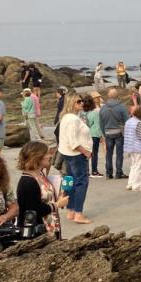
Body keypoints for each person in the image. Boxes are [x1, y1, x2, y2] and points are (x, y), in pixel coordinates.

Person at [15, 142, 66, 241]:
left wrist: (57, 197)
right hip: (38, 233)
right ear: (37, 158)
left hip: (50, 225)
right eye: (47, 154)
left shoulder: (40, 174)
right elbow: (33, 210)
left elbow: (45, 198)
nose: (50, 156)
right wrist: (57, 205)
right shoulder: (27, 182)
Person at [58, 94, 93, 224]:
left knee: (71, 181)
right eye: (78, 101)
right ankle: (78, 213)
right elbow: (72, 141)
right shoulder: (72, 119)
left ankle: (71, 210)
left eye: (82, 101)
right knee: (81, 183)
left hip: (68, 154)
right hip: (76, 155)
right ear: (71, 103)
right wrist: (86, 152)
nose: (82, 103)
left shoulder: (66, 117)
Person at [99, 88, 130, 179]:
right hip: (119, 132)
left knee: (109, 154)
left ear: (109, 96)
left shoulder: (103, 108)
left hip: (108, 132)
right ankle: (118, 173)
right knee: (119, 153)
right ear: (117, 96)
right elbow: (127, 121)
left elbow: (101, 123)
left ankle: (108, 173)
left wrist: (104, 133)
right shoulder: (121, 107)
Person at [123, 105, 141, 191]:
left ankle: (130, 183)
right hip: (139, 147)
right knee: (139, 166)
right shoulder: (139, 123)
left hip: (130, 146)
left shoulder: (129, 121)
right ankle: (137, 185)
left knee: (134, 165)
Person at [85, 92, 104, 177]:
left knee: (87, 153)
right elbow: (97, 125)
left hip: (87, 134)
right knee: (94, 154)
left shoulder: (85, 112)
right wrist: (101, 136)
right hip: (95, 134)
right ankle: (94, 171)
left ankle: (87, 171)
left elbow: (87, 124)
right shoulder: (95, 112)